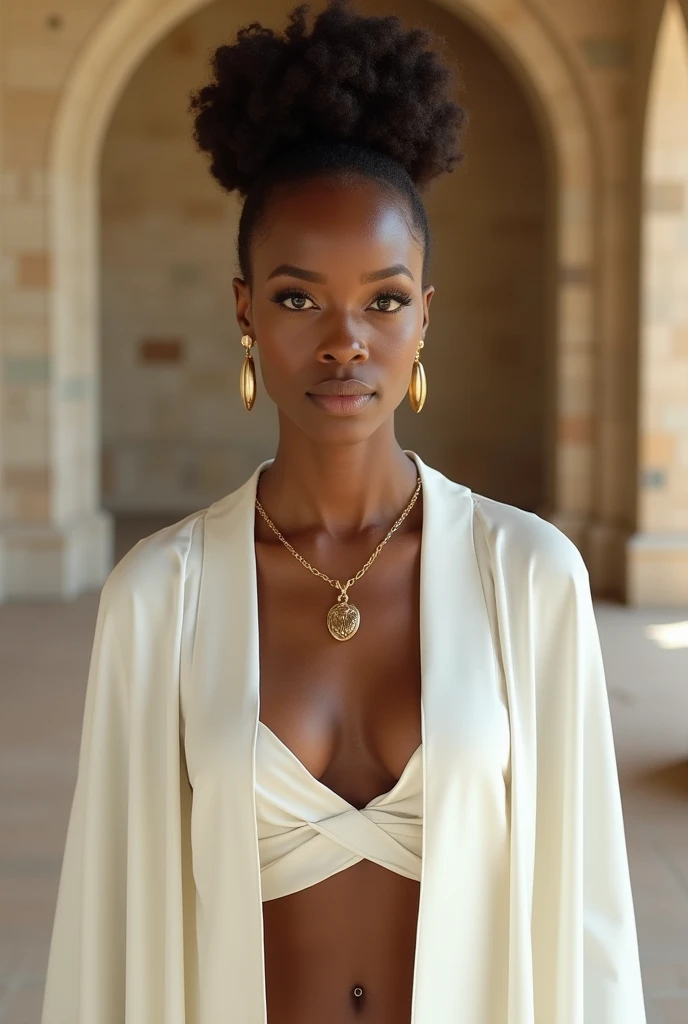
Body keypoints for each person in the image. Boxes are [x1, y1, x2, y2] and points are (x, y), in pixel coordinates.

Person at [41, 1, 647, 1022]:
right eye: (295, 298)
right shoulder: (159, 599)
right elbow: (108, 944)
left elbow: (587, 931)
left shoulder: (531, 579)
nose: (343, 342)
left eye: (382, 298)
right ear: (242, 310)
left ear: (425, 314)